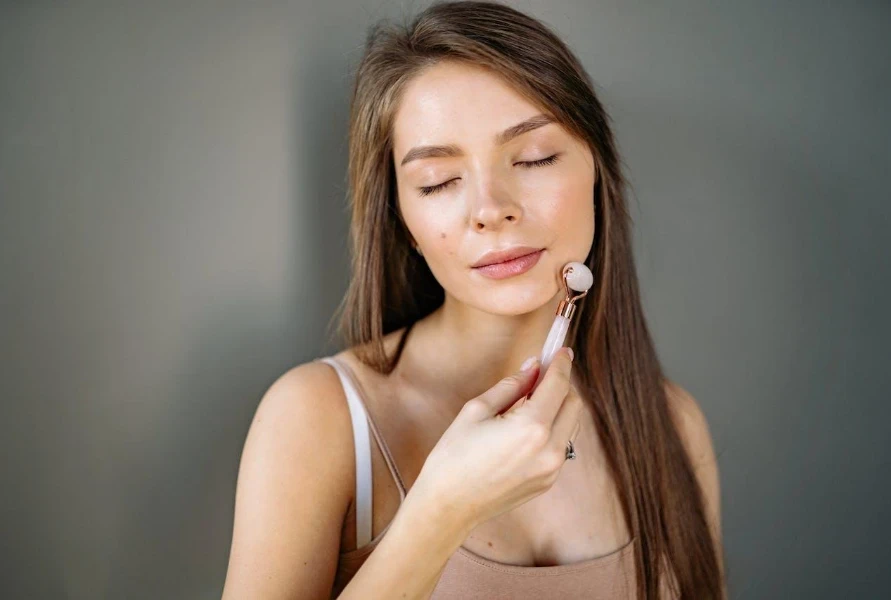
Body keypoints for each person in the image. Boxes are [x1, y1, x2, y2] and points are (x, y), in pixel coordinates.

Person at [221, 1, 725, 598]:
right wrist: (443, 510)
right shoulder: (315, 420)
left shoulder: (673, 425)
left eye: (535, 157)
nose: (490, 209)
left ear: (597, 168)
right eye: (437, 181)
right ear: (403, 216)